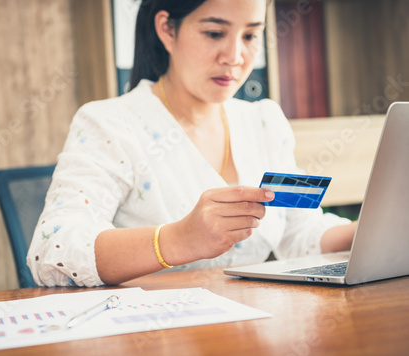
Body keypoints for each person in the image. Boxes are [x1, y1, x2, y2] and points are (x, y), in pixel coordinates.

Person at [27, 0, 356, 287]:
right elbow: (51, 252)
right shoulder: (109, 124)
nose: (235, 56)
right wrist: (176, 240)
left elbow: (298, 234)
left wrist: (367, 232)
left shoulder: (264, 122)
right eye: (215, 33)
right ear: (168, 29)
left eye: (250, 35)